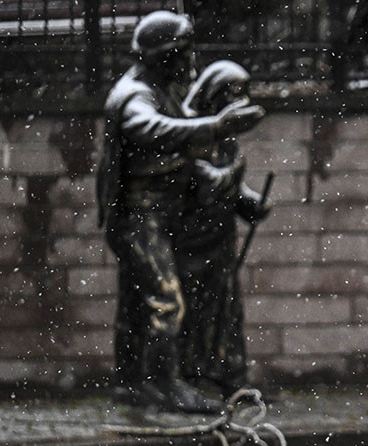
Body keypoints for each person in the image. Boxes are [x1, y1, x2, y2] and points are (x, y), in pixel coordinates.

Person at [96, 10, 263, 413]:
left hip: (156, 217)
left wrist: (221, 153)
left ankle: (132, 385)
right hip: (138, 217)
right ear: (167, 55)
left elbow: (187, 135)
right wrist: (217, 126)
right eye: (184, 53)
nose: (191, 61)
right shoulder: (135, 96)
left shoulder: (164, 89)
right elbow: (156, 130)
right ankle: (164, 385)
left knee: (137, 303)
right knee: (165, 300)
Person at [178, 60, 270, 395]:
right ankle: (194, 378)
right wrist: (233, 173)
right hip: (190, 243)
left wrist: (252, 204)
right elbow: (205, 183)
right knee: (192, 315)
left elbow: (233, 188)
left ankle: (231, 380)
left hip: (220, 241)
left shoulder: (226, 140)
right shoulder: (190, 131)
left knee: (227, 315)